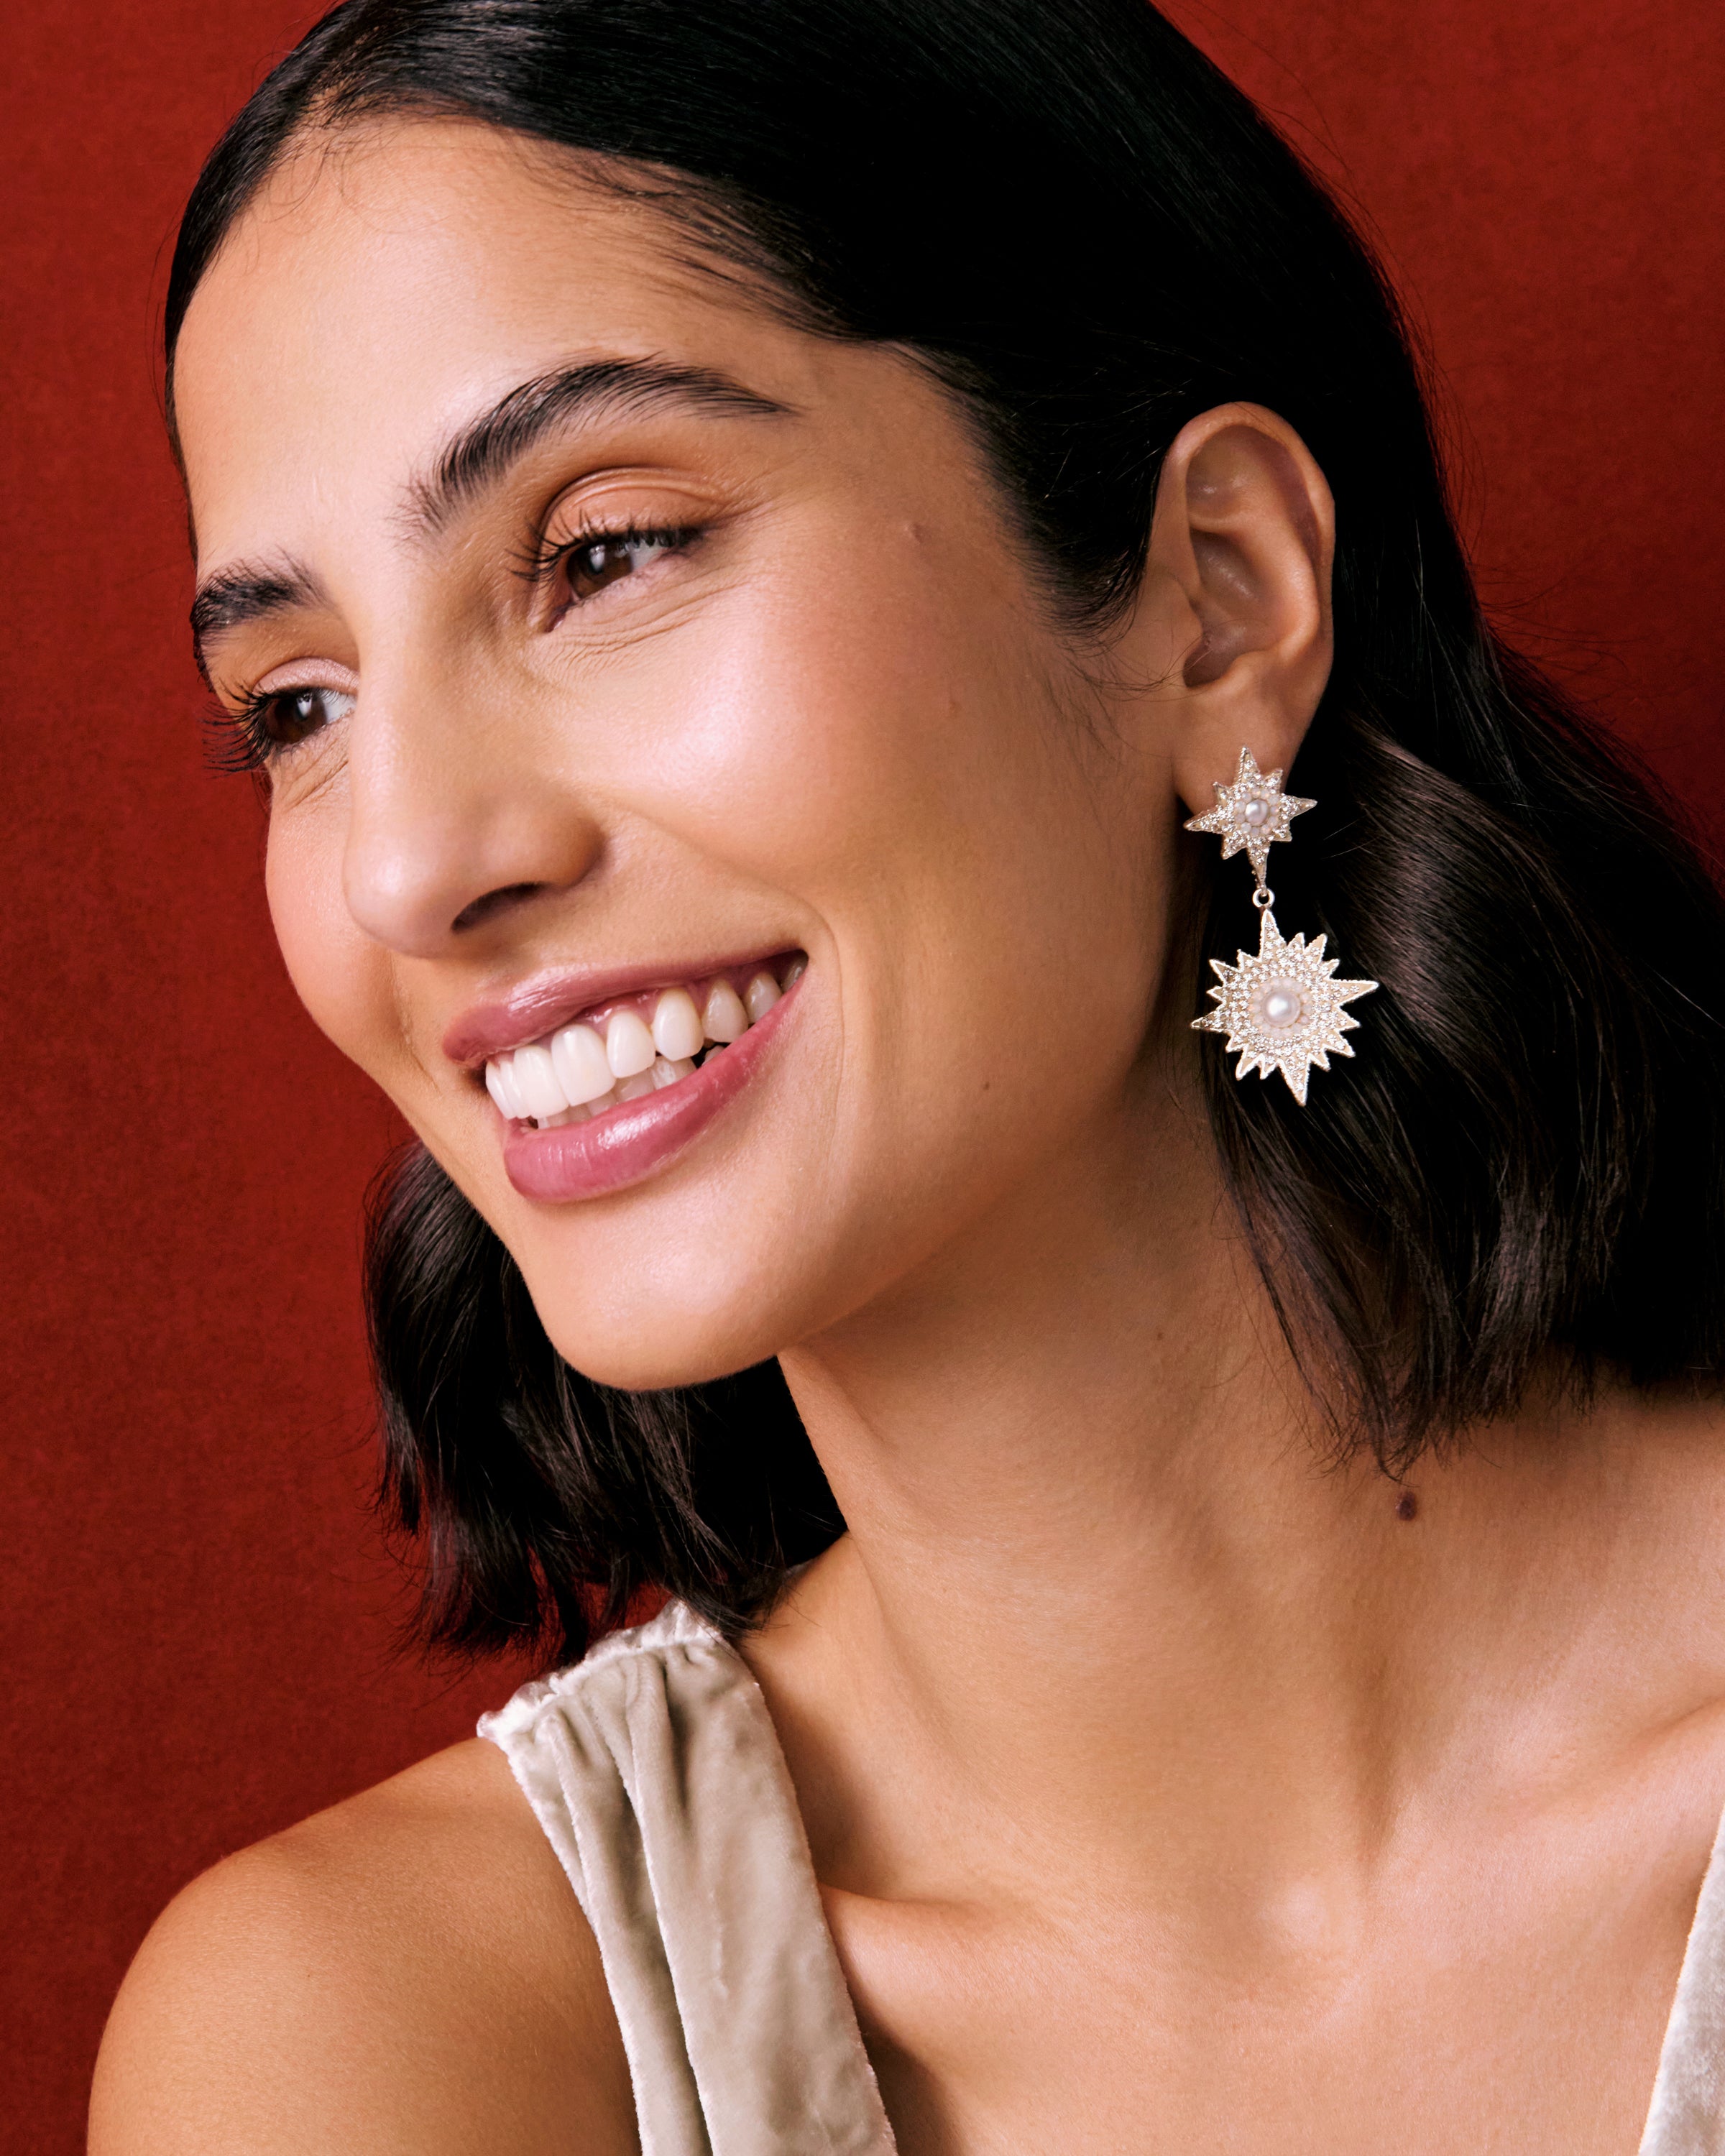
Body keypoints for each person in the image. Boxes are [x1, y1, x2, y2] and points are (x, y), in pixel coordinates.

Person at [88, 0, 1725, 2147]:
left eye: (601, 556)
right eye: (295, 704)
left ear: (1214, 605)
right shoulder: (373, 2045)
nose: (411, 864)